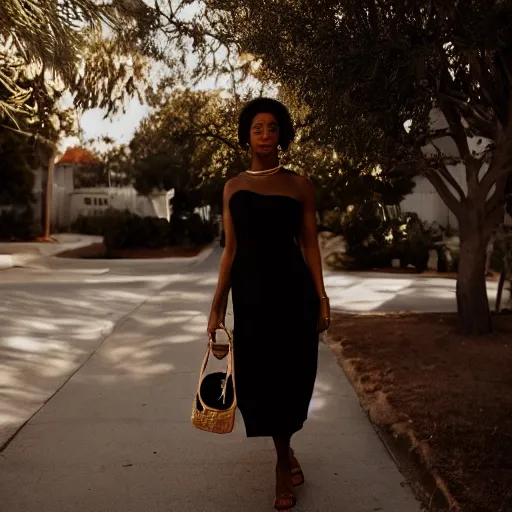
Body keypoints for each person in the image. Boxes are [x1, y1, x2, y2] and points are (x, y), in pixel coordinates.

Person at [207, 97, 330, 511]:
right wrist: (216, 305)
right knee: (261, 380)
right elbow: (230, 250)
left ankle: (281, 464)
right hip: (252, 295)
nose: (265, 135)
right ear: (247, 135)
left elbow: (310, 244)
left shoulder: (300, 185)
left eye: (272, 128)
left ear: (282, 135)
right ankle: (285, 454)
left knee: (292, 377)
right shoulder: (233, 186)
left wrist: (322, 296)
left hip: (293, 292)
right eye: (257, 128)